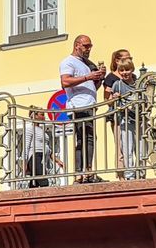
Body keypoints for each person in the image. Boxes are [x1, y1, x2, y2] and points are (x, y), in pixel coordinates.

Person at [58, 33, 103, 182]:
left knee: (89, 138)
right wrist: (88, 77)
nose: (88, 49)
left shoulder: (86, 63)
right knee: (83, 139)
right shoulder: (68, 62)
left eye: (90, 46)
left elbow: (92, 87)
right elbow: (65, 82)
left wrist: (99, 78)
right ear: (77, 45)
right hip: (78, 105)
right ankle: (81, 172)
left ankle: (87, 171)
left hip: (88, 104)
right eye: (86, 46)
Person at [103, 48, 144, 180]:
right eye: (122, 70)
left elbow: (145, 97)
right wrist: (115, 97)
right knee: (125, 148)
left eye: (128, 69)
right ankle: (128, 175)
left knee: (141, 147)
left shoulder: (138, 82)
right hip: (123, 118)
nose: (125, 72)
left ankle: (141, 173)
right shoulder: (114, 82)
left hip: (138, 117)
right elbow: (108, 100)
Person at [21, 105, 65, 188]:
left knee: (35, 182)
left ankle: (30, 198)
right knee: (43, 181)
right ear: (34, 116)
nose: (44, 117)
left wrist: (58, 161)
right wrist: (24, 163)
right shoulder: (30, 129)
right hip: (35, 157)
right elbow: (26, 146)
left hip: (43, 158)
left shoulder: (42, 130)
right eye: (42, 114)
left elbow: (48, 148)